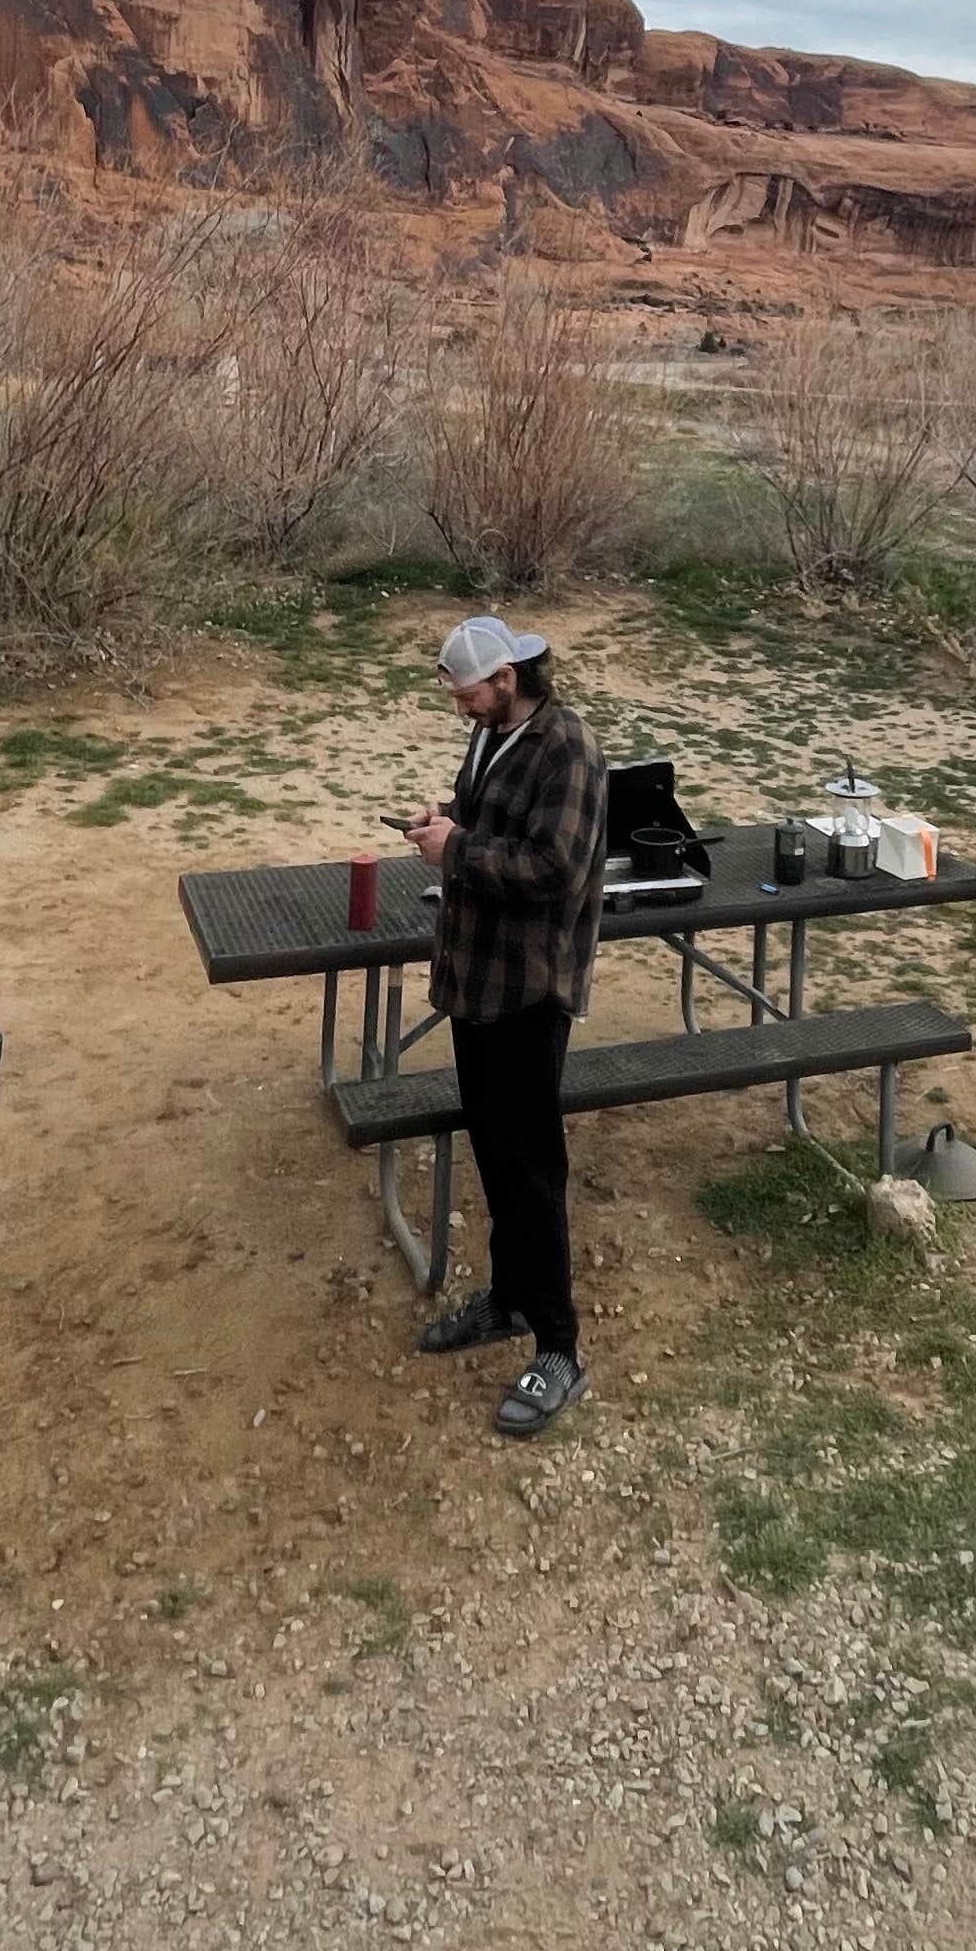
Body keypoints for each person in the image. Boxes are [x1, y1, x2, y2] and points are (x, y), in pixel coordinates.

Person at [402, 614, 607, 1438]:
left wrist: (455, 850)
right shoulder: (495, 733)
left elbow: (555, 870)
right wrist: (446, 817)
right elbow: (488, 813)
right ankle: (510, 1299)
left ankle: (559, 1348)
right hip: (476, 983)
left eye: (470, 694)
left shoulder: (569, 749)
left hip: (527, 990)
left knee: (532, 1169)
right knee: (494, 1153)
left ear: (509, 678)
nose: (462, 708)